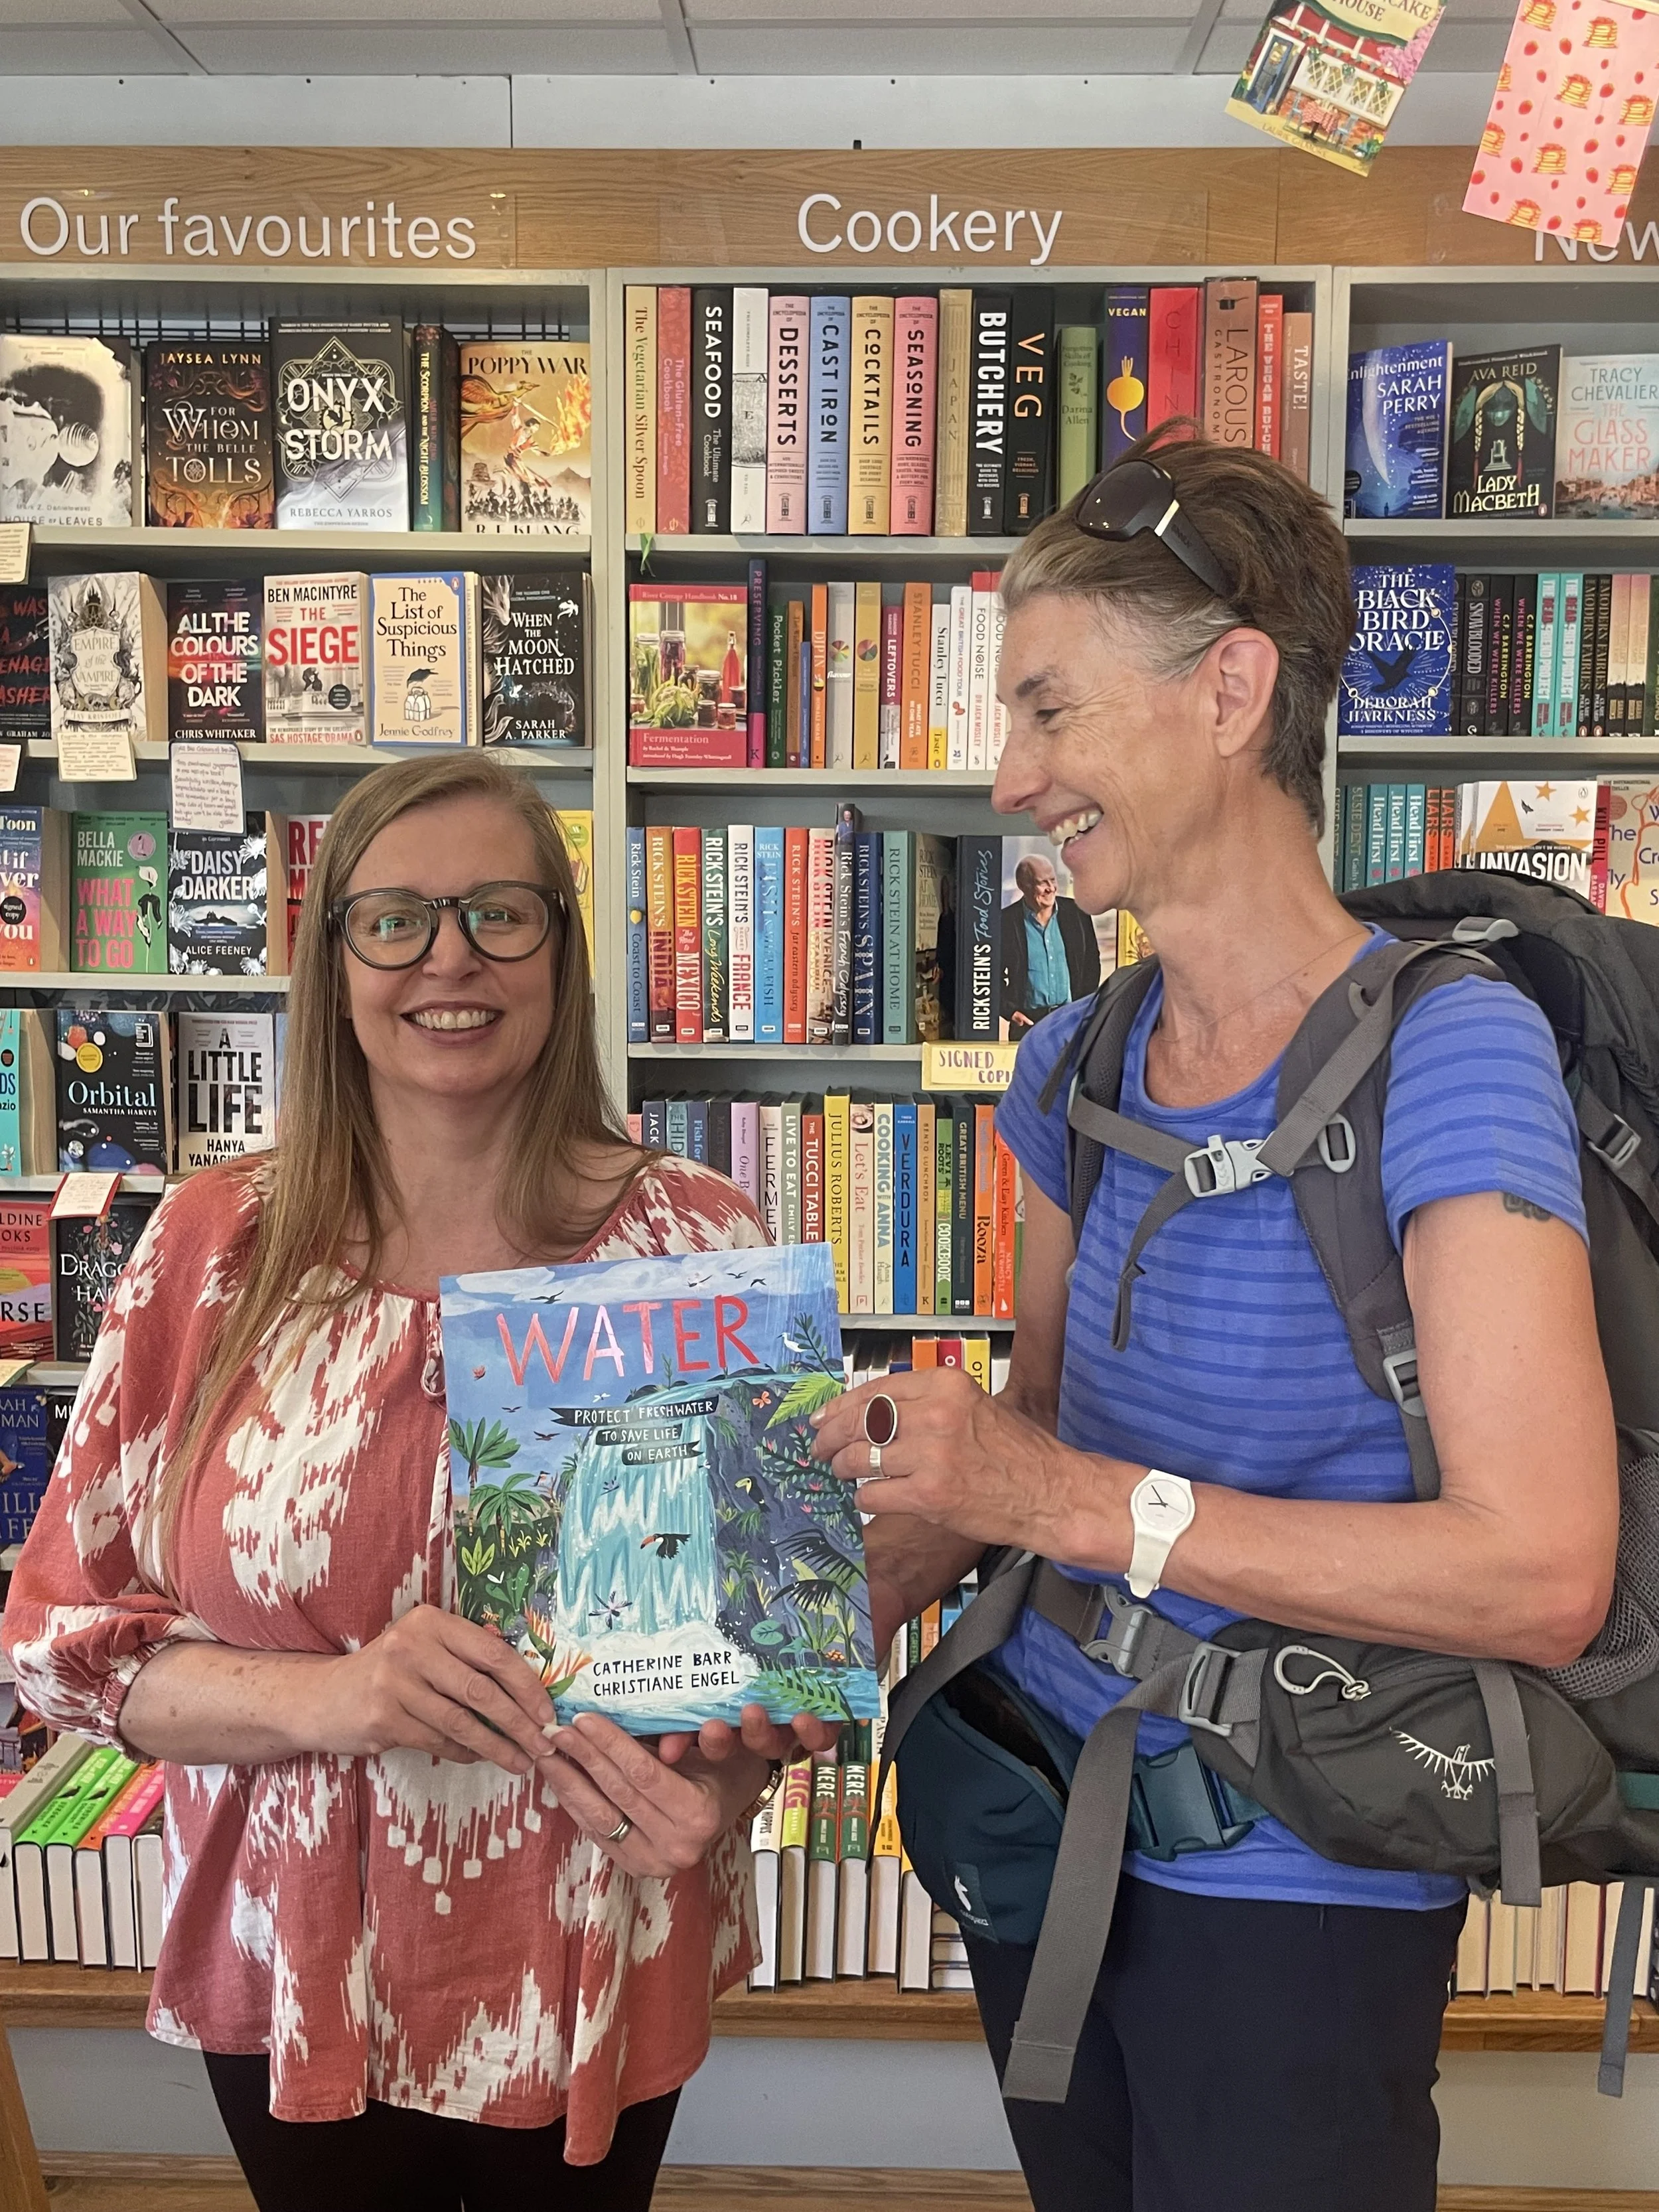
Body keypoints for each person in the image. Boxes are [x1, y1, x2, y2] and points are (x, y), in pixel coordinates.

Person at [811, 427, 1619, 2212]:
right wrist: (749, 1635)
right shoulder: (1073, 1059)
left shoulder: (1450, 1049)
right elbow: (1021, 1456)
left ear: (1230, 689)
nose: (1010, 778)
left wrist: (1076, 1503)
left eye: (1048, 711)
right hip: (1029, 1813)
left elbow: (1535, 1566)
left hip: (1298, 1866)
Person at [3, 753, 828, 2212]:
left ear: (563, 956)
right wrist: (336, 1695)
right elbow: (54, 1645)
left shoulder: (693, 1241)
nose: (450, 957)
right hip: (287, 1952)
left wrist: (739, 1780)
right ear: (333, 965)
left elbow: (775, 1633)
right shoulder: (212, 1249)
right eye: (395, 918)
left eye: (499, 913)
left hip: (591, 1943)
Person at [999, 851, 1101, 1035]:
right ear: (1024, 885)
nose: (1051, 888)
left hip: (1071, 1021)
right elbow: (988, 973)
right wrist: (1009, 1011)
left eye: (1053, 880)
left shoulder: (1078, 913)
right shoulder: (1005, 921)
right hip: (1028, 1025)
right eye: (1042, 882)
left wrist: (1084, 1007)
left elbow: (1092, 963)